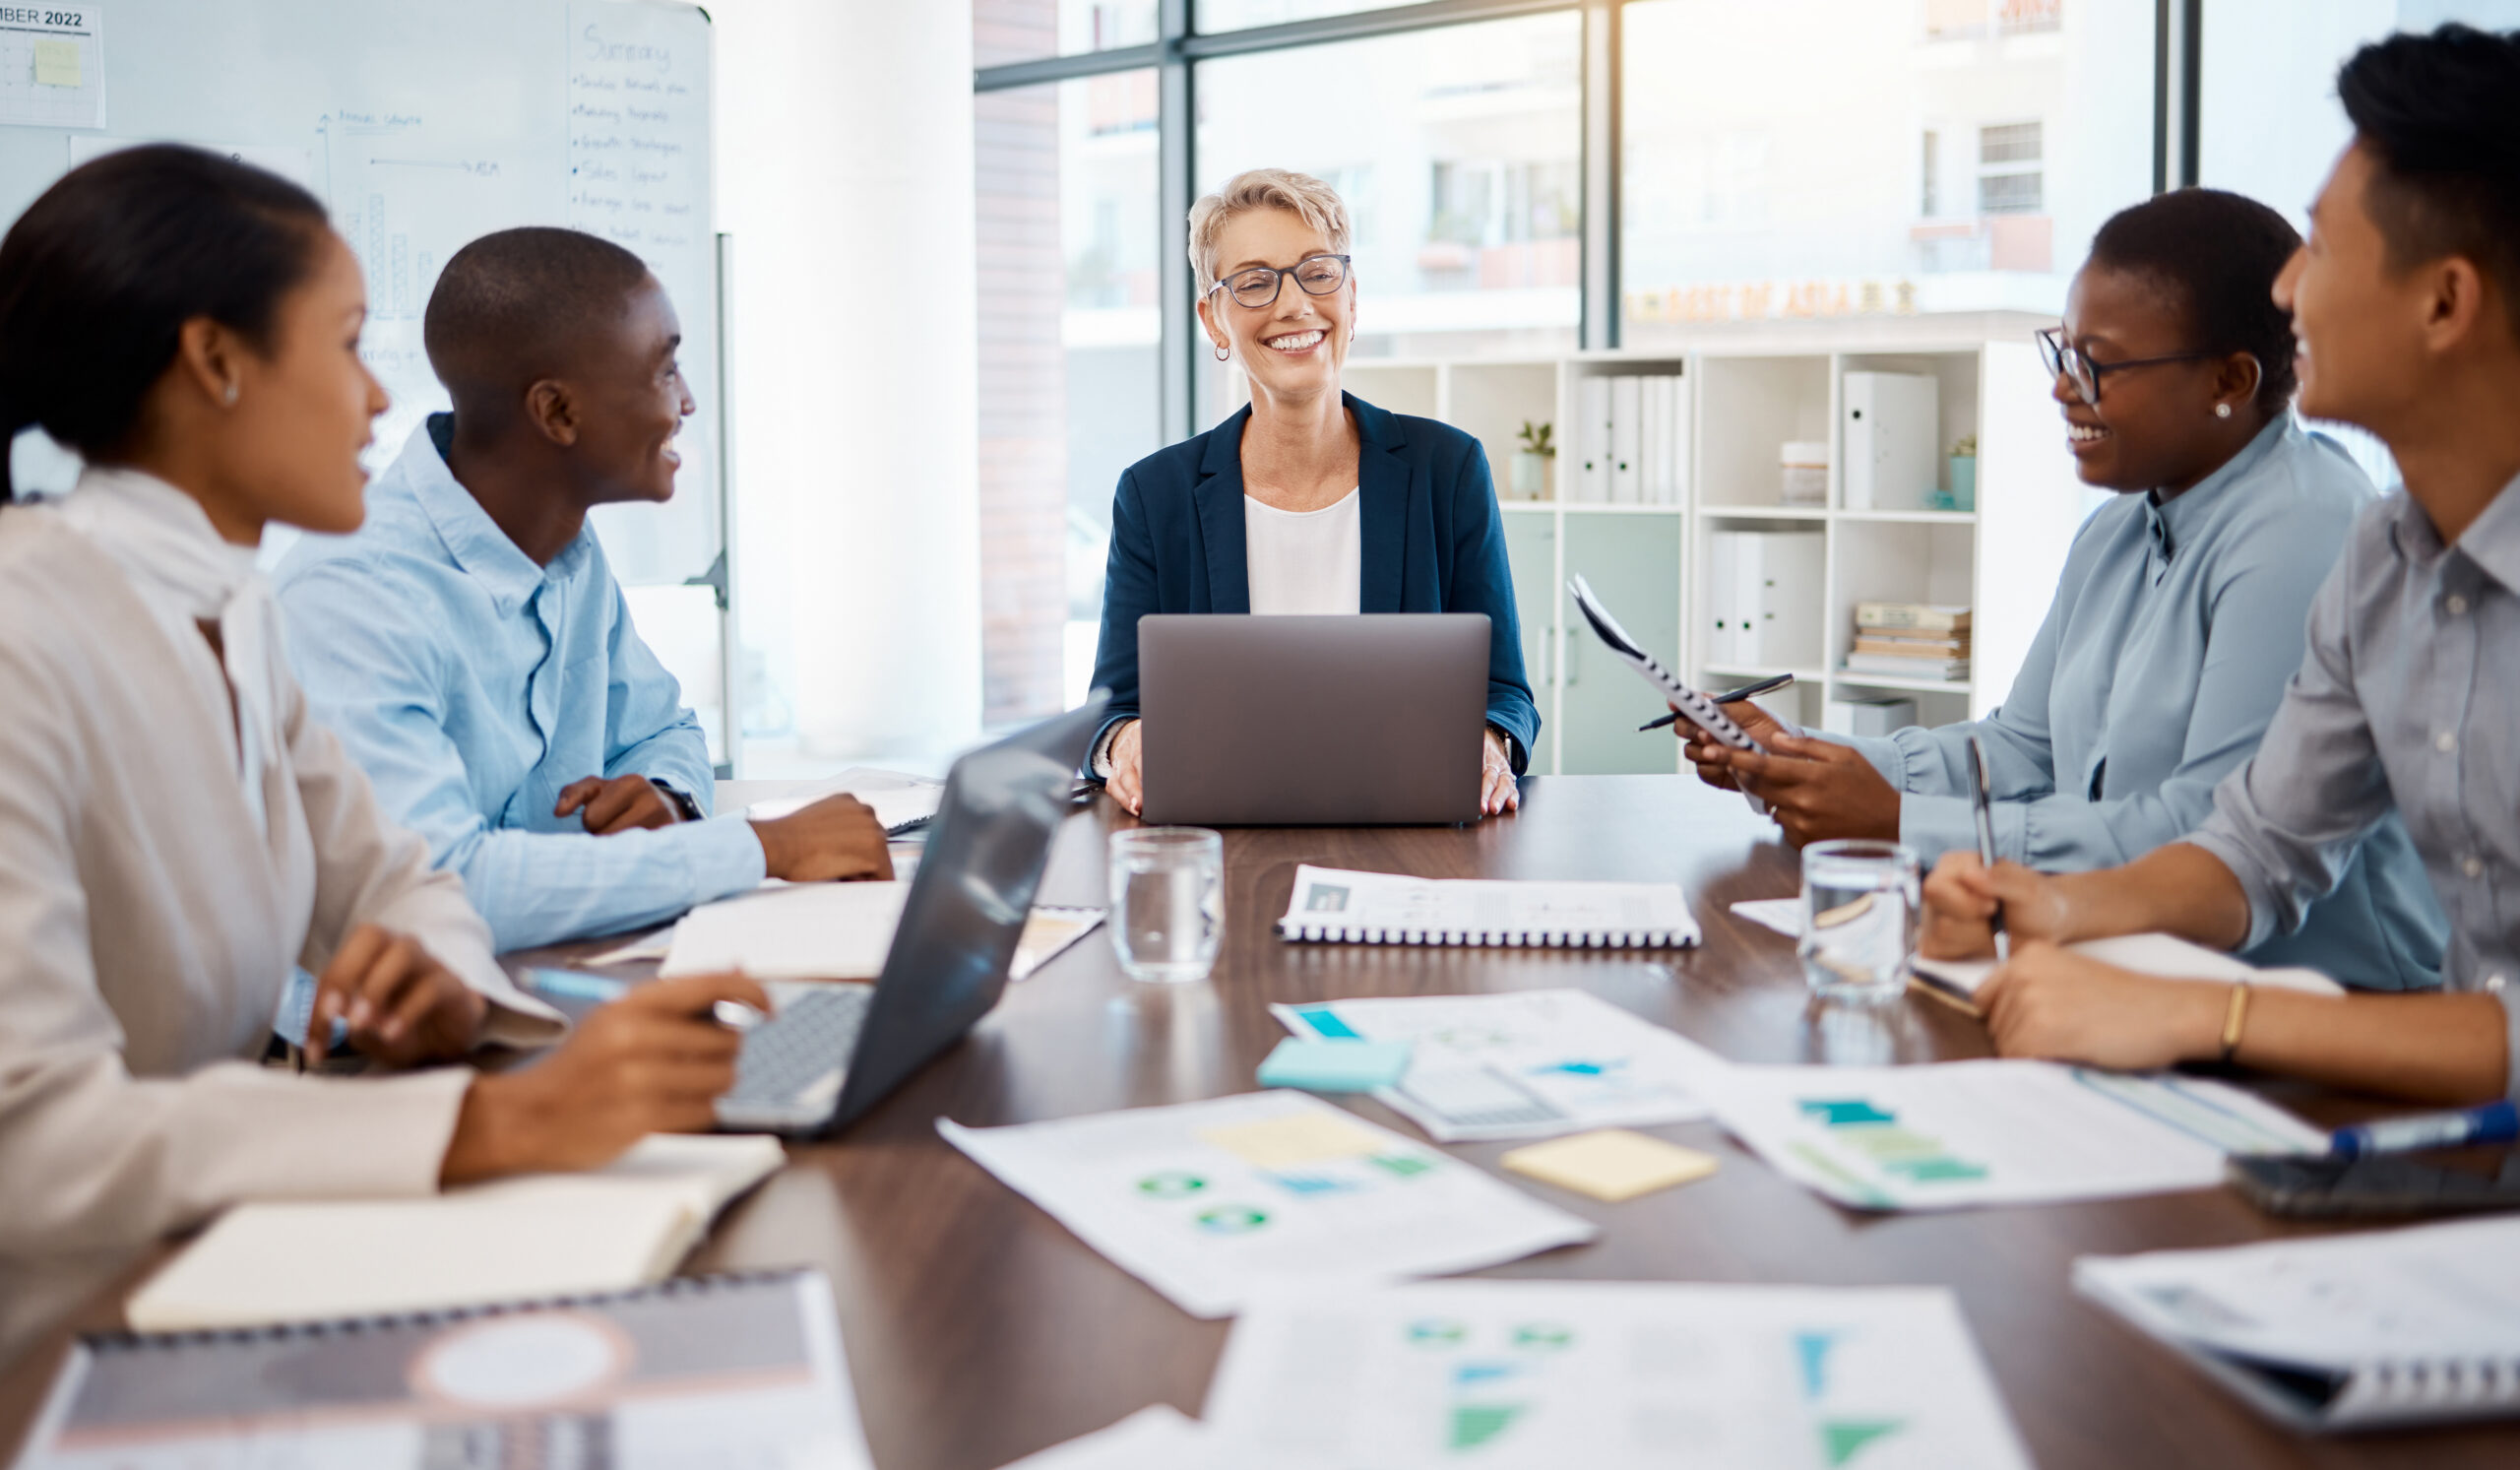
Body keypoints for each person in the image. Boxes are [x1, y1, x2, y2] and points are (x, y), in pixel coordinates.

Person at [0, 145, 768, 1369]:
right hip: (64, 1326)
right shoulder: (27, 634)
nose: (377, 401)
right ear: (216, 361)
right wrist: (489, 1121)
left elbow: (398, 879)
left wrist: (442, 982)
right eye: (347, 343)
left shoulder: (230, 607)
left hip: (216, 1247)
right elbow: (33, 1144)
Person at [1921, 24, 2520, 1104]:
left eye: (2323, 250)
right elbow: (2258, 844)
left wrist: (2211, 1011)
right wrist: (2046, 906)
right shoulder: (2387, 554)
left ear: (2444, 301)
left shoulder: (2311, 519)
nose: (2287, 288)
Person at [1686, 189, 2443, 991]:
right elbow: (2025, 747)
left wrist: (1897, 821)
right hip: (2147, 974)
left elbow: (2202, 834)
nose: (2063, 387)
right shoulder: (2120, 525)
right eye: (2064, 350)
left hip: (2325, 1005)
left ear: (2230, 377)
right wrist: (1811, 763)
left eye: (2099, 364)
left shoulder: (2305, 531)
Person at [276, 227, 890, 952]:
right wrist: (763, 847)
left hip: (555, 971)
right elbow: (441, 887)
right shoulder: (353, 596)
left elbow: (665, 729)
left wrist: (665, 794)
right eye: (665, 372)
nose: (687, 401)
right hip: (367, 1051)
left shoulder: (564, 549)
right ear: (558, 414)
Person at [1086, 168, 1539, 818]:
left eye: (1317, 272)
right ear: (1214, 320)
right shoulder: (1155, 496)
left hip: (1413, 839)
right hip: (1221, 848)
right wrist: (1127, 743)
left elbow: (1505, 691)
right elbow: (1111, 710)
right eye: (1253, 281)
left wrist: (1488, 742)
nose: (1293, 303)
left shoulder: (1448, 469)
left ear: (1351, 298)